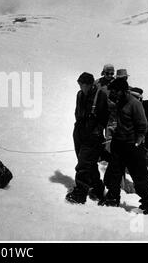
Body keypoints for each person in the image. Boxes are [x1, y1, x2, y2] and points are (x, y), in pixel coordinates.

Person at [100, 78, 148, 214]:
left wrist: (137, 142)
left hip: (132, 146)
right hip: (119, 144)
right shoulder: (119, 102)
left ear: (123, 91)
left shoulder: (135, 104)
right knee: (114, 173)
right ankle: (113, 199)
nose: (114, 93)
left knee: (139, 176)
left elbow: (143, 125)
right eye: (113, 91)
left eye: (116, 91)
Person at [65, 72, 109, 204]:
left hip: (93, 136)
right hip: (79, 132)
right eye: (79, 84)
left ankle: (80, 194)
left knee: (83, 164)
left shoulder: (100, 96)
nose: (80, 87)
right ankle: (98, 188)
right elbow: (77, 112)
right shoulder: (79, 94)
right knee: (87, 163)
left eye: (82, 84)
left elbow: (104, 117)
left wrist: (96, 131)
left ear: (90, 84)